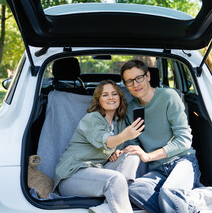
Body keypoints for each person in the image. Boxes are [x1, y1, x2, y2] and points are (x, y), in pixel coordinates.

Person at [116, 60, 211, 213]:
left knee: (169, 192)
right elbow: (134, 143)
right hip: (158, 169)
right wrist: (122, 150)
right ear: (125, 85)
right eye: (129, 81)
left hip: (183, 161)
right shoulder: (131, 109)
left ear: (147, 76)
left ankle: (176, 202)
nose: (135, 84)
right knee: (130, 189)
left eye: (139, 78)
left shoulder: (168, 96)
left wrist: (148, 156)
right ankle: (190, 208)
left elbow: (184, 140)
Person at [53, 80, 144, 213]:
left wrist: (118, 151)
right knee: (116, 179)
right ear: (98, 100)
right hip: (73, 175)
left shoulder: (119, 123)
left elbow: (118, 145)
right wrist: (124, 136)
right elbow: (106, 141)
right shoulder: (92, 118)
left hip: (98, 171)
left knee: (132, 154)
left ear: (120, 97)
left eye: (114, 94)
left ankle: (105, 208)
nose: (111, 97)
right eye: (105, 95)